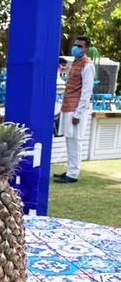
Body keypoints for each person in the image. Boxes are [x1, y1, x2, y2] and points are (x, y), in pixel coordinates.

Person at [53, 36, 95, 183]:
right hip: (68, 107)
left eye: (80, 46)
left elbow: (87, 91)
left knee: (76, 140)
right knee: (69, 139)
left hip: (77, 109)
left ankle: (73, 174)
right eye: (75, 45)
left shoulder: (87, 65)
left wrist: (78, 112)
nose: (76, 47)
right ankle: (71, 170)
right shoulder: (76, 62)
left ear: (86, 48)